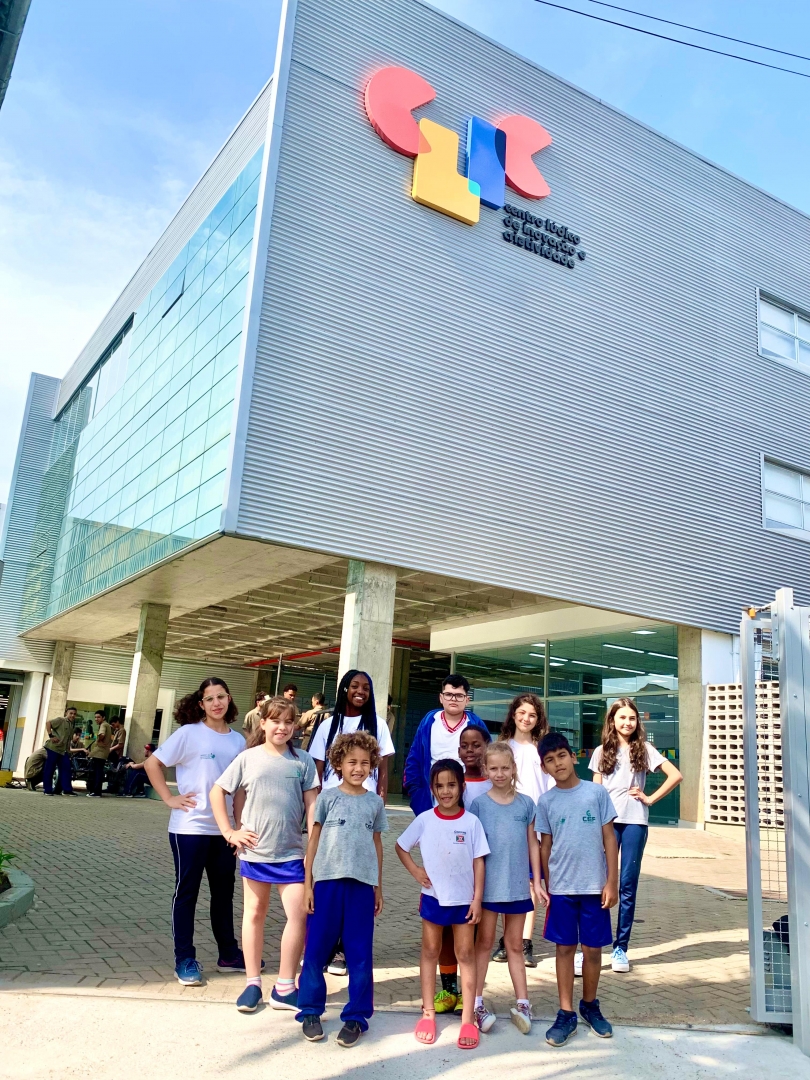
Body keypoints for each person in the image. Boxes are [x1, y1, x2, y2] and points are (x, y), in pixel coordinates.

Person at [211, 696, 319, 1015]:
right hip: (255, 853)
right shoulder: (248, 758)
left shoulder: (303, 761)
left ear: (295, 726)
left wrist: (312, 849)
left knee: (298, 915)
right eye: (275, 721)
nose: (282, 727)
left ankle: (284, 987)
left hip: (292, 854)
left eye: (288, 722)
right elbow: (218, 791)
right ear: (263, 723)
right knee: (254, 914)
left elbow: (313, 806)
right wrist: (230, 831)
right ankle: (252, 983)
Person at [144, 677, 246, 986]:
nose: (216, 703)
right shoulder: (189, 733)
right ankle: (184, 959)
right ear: (201, 704)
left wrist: (238, 826)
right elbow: (152, 764)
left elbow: (240, 789)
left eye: (221, 696)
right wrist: (169, 798)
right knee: (187, 892)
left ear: (229, 699)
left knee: (224, 894)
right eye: (210, 698)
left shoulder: (238, 741)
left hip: (224, 832)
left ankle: (228, 955)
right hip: (189, 829)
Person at [296, 731, 387, 1047]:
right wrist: (308, 885)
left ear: (372, 765)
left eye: (365, 763)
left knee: (360, 954)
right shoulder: (327, 798)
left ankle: (356, 1017)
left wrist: (378, 887)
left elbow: (377, 844)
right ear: (338, 764)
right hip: (326, 885)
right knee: (316, 950)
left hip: (361, 887)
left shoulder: (375, 802)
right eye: (352, 762)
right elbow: (314, 841)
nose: (358, 768)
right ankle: (310, 1011)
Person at [396, 758, 489, 1051]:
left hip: (464, 902)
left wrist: (477, 899)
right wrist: (416, 871)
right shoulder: (425, 819)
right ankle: (428, 1014)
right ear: (433, 789)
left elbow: (479, 862)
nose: (446, 791)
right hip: (433, 899)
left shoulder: (471, 822)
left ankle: (467, 1019)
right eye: (440, 786)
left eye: (451, 785)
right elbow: (401, 846)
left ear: (462, 787)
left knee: (466, 954)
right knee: (430, 951)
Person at [308, 669, 395, 977]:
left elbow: (383, 769)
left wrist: (381, 798)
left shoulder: (377, 725)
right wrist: (315, 805)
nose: (360, 691)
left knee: (358, 874)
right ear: (344, 688)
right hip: (333, 808)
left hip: (363, 808)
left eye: (366, 688)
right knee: (331, 872)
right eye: (355, 686)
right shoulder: (328, 724)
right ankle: (323, 947)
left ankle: (344, 950)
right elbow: (317, 770)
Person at [535, 732, 619, 1047]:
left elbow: (609, 838)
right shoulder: (546, 802)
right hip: (562, 889)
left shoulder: (596, 793)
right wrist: (546, 884)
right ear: (544, 767)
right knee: (564, 949)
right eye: (550, 760)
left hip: (595, 887)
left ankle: (590, 1005)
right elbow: (545, 847)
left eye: (561, 756)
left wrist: (611, 881)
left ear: (573, 757)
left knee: (593, 949)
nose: (557, 763)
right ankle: (566, 1012)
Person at [588, 697, 683, 973]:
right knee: (598, 884)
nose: (627, 722)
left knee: (627, 885)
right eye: (622, 717)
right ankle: (590, 946)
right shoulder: (600, 752)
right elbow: (596, 792)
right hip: (607, 824)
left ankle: (621, 948)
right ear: (612, 720)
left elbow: (675, 775)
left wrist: (649, 798)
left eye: (632, 718)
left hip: (634, 823)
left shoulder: (645, 749)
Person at [470, 742, 545, 1035]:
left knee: (514, 946)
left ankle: (523, 1004)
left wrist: (537, 880)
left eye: (505, 767)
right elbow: (475, 851)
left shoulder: (526, 804)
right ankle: (476, 1003)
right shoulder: (479, 805)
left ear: (513, 768)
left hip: (517, 889)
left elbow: (533, 844)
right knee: (484, 944)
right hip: (489, 889)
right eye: (494, 768)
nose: (499, 773)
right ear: (486, 770)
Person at [433, 724, 492, 1017]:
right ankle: (449, 990)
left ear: (487, 747)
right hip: (450, 871)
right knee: (446, 932)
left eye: (476, 745)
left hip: (481, 868)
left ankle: (473, 995)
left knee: (474, 933)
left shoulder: (494, 781)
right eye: (465, 746)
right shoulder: (450, 780)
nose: (470, 751)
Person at [493, 693, 552, 967]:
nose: (526, 718)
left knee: (530, 883)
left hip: (534, 826)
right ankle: (507, 939)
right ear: (513, 715)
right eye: (522, 713)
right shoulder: (502, 747)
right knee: (505, 881)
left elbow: (549, 788)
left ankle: (524, 941)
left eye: (532, 714)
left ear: (538, 719)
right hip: (505, 824)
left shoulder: (542, 750)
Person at [403, 674, 489, 815]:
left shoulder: (476, 725)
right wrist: (417, 794)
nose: (453, 699)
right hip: (432, 798)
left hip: (469, 796)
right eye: (449, 695)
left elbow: (488, 758)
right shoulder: (429, 722)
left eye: (459, 696)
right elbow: (414, 759)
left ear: (467, 700)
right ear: (441, 698)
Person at [43, 706, 78, 797]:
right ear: (66, 713)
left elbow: (68, 739)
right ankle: (47, 790)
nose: (72, 715)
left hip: (63, 751)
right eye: (71, 713)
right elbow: (48, 723)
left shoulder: (71, 725)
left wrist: (69, 750)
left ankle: (67, 790)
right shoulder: (61, 720)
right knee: (50, 769)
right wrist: (51, 735)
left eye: (74, 714)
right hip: (54, 748)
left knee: (66, 769)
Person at [86, 711, 112, 798]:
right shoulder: (107, 725)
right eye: (95, 717)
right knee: (99, 772)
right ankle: (96, 791)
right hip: (103, 753)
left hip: (99, 753)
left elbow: (102, 734)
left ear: (103, 717)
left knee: (96, 773)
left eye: (98, 717)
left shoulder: (103, 725)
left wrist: (98, 740)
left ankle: (96, 792)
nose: (96, 719)